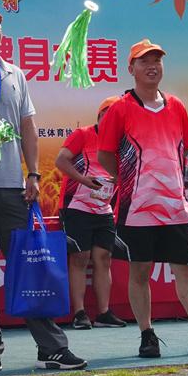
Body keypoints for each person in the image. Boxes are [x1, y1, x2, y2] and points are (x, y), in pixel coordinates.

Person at [0, 0, 88, 371]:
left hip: (13, 188)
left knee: (28, 267)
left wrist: (32, 173)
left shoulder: (15, 74)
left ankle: (51, 347)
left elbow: (28, 127)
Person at [98, 39, 188, 359]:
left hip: (175, 207)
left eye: (157, 60)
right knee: (139, 271)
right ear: (131, 68)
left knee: (186, 270)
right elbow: (106, 154)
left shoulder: (177, 106)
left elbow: (185, 149)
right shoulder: (120, 109)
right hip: (137, 208)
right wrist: (128, 179)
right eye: (144, 61)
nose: (152, 66)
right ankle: (147, 335)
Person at [56, 96, 126, 330]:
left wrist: (117, 181)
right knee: (80, 257)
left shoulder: (121, 143)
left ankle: (104, 313)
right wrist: (84, 180)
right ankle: (79, 313)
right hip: (76, 206)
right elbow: (61, 161)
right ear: (100, 115)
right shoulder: (83, 134)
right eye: (108, 115)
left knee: (103, 258)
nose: (111, 120)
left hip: (103, 208)